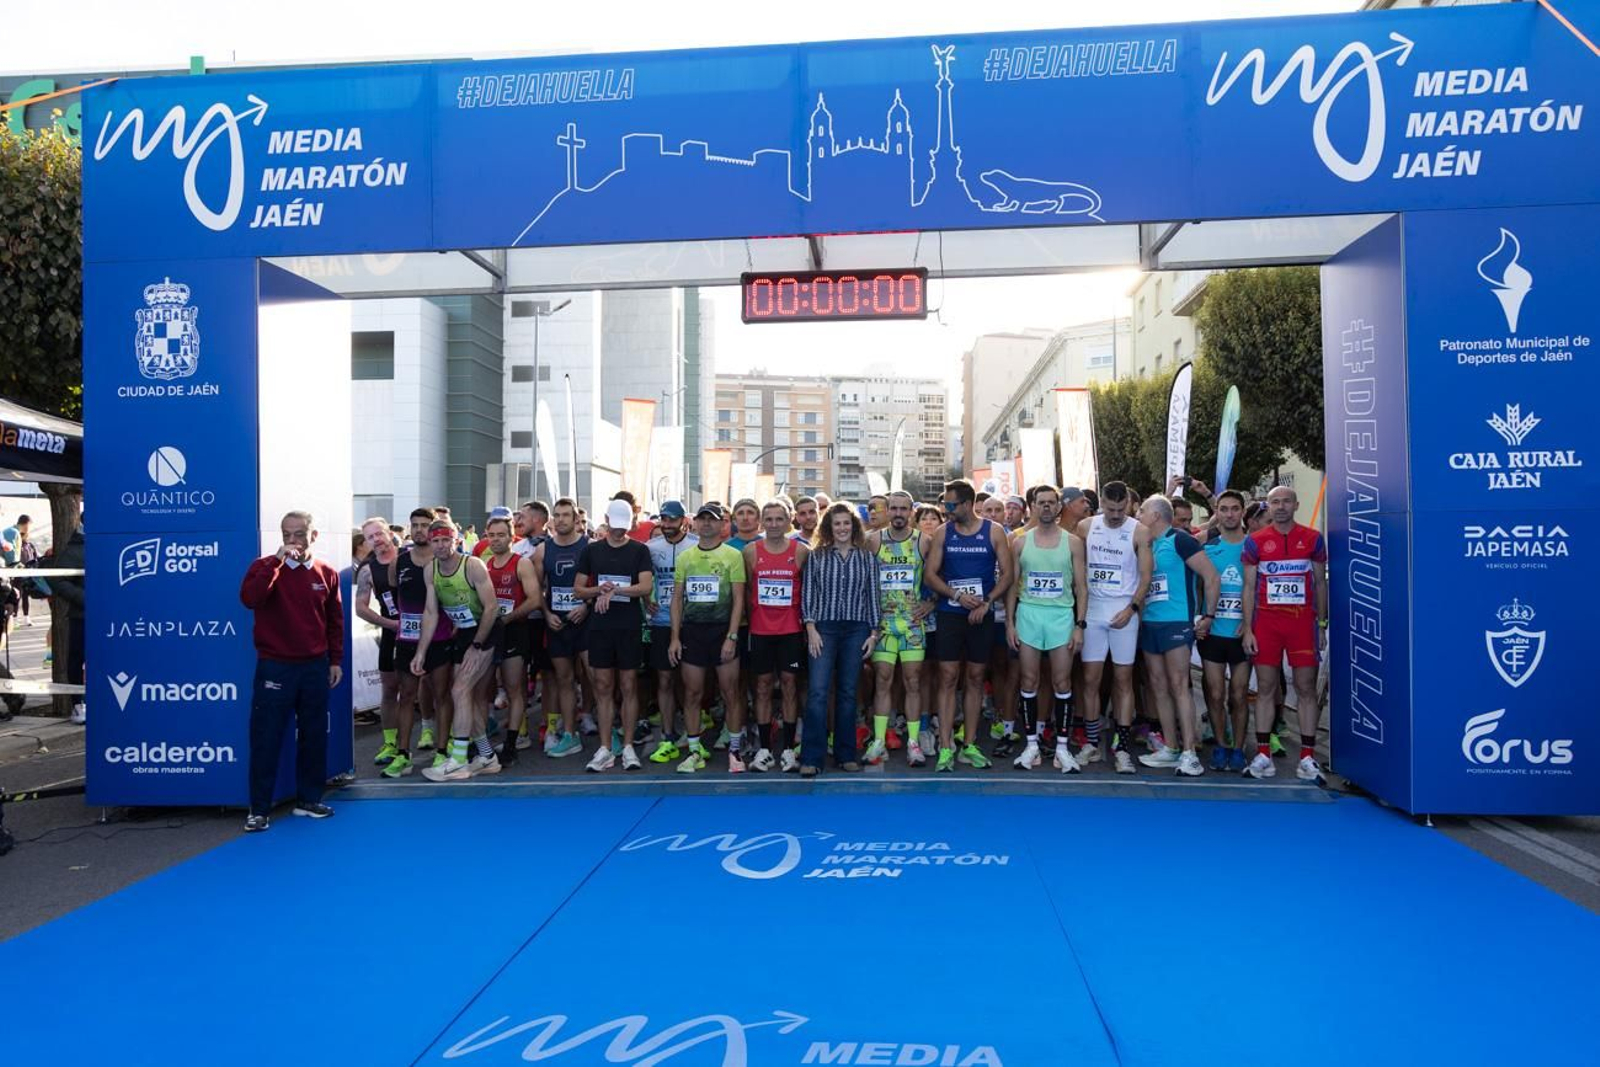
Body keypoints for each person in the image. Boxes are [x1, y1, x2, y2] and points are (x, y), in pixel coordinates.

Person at [239, 510, 343, 832]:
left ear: (313, 536)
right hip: (276, 666)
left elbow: (334, 620)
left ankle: (309, 799)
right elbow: (250, 598)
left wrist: (335, 660)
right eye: (286, 534)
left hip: (314, 666)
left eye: (298, 534)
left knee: (313, 735)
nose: (292, 541)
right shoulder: (264, 567)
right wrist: (277, 563)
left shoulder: (327, 572)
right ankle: (259, 809)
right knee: (266, 737)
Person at [923, 479, 1013, 772]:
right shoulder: (942, 532)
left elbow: (1008, 575)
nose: (946, 510)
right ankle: (946, 746)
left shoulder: (994, 531)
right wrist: (957, 595)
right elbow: (930, 575)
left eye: (950, 505)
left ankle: (970, 743)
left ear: (966, 504)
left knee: (975, 677)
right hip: (951, 612)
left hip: (981, 614)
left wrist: (986, 602)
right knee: (948, 676)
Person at [1241, 486, 1329, 781]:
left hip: (1302, 623)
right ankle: (1264, 754)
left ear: (1296, 504)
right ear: (1268, 506)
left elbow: (1320, 584)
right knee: (1265, 688)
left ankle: (1307, 757)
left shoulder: (1313, 539)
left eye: (1286, 501)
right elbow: (1249, 587)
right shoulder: (1255, 542)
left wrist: (1321, 626)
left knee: (1306, 688)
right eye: (1275, 502)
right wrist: (1248, 630)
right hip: (1267, 623)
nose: (1280, 507)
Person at [1134, 497, 1220, 777]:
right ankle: (1171, 747)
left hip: (1176, 622)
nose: (1138, 514)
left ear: (1157, 516)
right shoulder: (1145, 544)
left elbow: (1211, 576)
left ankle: (1189, 753)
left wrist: (1207, 615)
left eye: (1142, 511)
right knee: (1158, 686)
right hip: (1150, 622)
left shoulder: (1180, 540)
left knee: (1179, 685)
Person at [1006, 486, 1088, 773]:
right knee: (1028, 681)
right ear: (1032, 506)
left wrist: (1080, 625)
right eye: (1041, 503)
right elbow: (1013, 587)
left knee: (1061, 682)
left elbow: (1081, 587)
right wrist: (1010, 622)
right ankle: (1031, 745)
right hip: (1029, 614)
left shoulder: (1074, 542)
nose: (1046, 508)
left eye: (1051, 503)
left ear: (1058, 507)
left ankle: (1063, 749)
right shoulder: (1019, 543)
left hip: (1061, 616)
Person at [415, 519, 503, 781]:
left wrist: (477, 645)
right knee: (468, 697)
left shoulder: (472, 565)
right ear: (430, 543)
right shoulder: (430, 570)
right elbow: (430, 613)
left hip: (486, 631)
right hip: (463, 633)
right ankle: (487, 756)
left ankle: (459, 759)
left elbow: (491, 607)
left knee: (459, 690)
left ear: (456, 540)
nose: (441, 545)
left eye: (446, 540)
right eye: (436, 541)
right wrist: (421, 651)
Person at [1075, 481, 1153, 774]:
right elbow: (1077, 571)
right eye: (1111, 508)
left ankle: (1121, 747)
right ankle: (1091, 743)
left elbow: (1146, 575)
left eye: (1122, 509)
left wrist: (1131, 608)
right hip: (1094, 611)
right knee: (1091, 679)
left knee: (1123, 680)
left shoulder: (1139, 531)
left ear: (1130, 505)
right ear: (1101, 505)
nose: (1117, 514)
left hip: (1123, 611)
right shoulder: (1085, 527)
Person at [800, 502, 880, 778]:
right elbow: (808, 593)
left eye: (847, 523)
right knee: (818, 693)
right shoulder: (817, 556)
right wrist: (811, 628)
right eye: (837, 523)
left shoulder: (867, 558)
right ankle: (811, 757)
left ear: (854, 526)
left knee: (848, 694)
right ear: (828, 527)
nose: (843, 528)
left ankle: (846, 754)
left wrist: (873, 633)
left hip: (856, 630)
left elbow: (872, 596)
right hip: (824, 629)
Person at [575, 500, 654, 771]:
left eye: (623, 527)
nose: (619, 532)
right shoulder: (592, 550)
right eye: (614, 526)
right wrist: (599, 589)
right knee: (603, 687)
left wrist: (616, 591)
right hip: (600, 628)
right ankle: (605, 747)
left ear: (630, 523)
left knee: (629, 686)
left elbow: (645, 587)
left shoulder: (639, 550)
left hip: (629, 626)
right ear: (606, 519)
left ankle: (629, 746)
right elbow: (578, 589)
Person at [668, 504, 747, 773]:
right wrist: (675, 638)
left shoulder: (732, 555)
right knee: (692, 693)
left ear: (722, 524)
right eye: (702, 519)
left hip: (722, 630)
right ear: (695, 523)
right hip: (693, 631)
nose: (706, 524)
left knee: (731, 692)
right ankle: (694, 752)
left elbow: (738, 599)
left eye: (711, 520)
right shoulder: (686, 557)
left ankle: (735, 751)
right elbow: (677, 599)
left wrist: (732, 636)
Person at [862, 491, 932, 766]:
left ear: (911, 512)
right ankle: (879, 741)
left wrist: (932, 602)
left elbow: (939, 574)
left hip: (913, 625)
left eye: (904, 509)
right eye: (894, 508)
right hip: (883, 626)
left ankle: (914, 743)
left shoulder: (924, 541)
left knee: (913, 682)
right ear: (887, 511)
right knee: (882, 681)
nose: (899, 513)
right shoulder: (873, 541)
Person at [744, 499, 808, 772]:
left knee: (790, 685)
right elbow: (747, 590)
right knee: (762, 687)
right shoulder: (750, 551)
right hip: (760, 630)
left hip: (791, 630)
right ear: (762, 522)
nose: (773, 524)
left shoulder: (802, 551)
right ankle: (765, 749)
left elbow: (808, 589)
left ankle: (790, 750)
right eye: (768, 519)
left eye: (778, 519)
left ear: (788, 520)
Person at [390, 508, 452, 773]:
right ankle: (403, 754)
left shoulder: (444, 563)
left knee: (441, 695)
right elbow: (394, 595)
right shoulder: (400, 561)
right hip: (407, 640)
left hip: (440, 639)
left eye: (424, 525)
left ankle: (442, 750)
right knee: (406, 696)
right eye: (414, 525)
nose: (418, 530)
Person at [1199, 490, 1252, 772]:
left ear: (1242, 511)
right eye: (1224, 509)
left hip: (1242, 633)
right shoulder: (1206, 545)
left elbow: (1258, 588)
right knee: (1216, 694)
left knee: (1239, 694)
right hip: (1213, 633)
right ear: (1216, 512)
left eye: (1234, 509)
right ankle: (1221, 746)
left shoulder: (1252, 545)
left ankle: (1239, 749)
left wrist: (1251, 622)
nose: (1229, 514)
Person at [482, 515, 542, 765]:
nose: (496, 540)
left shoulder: (522, 563)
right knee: (483, 689)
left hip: (514, 630)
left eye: (501, 535)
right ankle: (481, 743)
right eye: (492, 535)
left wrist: (508, 618)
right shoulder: (483, 565)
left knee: (514, 688)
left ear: (510, 537)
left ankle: (512, 743)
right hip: (489, 631)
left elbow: (535, 599)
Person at [533, 499, 588, 758]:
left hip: (585, 622)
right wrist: (546, 613)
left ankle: (604, 729)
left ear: (576, 519)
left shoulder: (589, 547)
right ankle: (569, 733)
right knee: (564, 680)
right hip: (558, 624)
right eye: (557, 515)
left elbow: (601, 582)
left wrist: (586, 605)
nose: (562, 519)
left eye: (567, 515)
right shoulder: (544, 550)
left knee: (597, 679)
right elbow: (537, 590)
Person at [645, 501, 697, 764]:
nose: (667, 525)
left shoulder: (697, 545)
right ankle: (667, 733)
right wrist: (646, 600)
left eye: (672, 520)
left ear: (683, 522)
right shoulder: (650, 548)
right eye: (663, 520)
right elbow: (641, 580)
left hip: (692, 623)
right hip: (662, 622)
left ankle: (692, 733)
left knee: (690, 683)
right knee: (664, 679)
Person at [355, 518, 407, 773]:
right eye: (370, 537)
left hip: (422, 630)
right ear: (366, 541)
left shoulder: (409, 558)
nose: (376, 539)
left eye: (379, 534)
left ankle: (435, 735)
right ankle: (390, 743)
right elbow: (360, 608)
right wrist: (388, 623)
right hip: (391, 631)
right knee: (389, 688)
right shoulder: (367, 570)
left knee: (430, 686)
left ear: (389, 533)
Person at [978, 494, 1020, 756]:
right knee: (981, 670)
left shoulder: (1013, 540)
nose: (993, 514)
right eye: (988, 510)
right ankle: (986, 713)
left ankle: (1005, 719)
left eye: (997, 510)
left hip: (1006, 616)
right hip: (981, 615)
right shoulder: (975, 538)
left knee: (1007, 671)